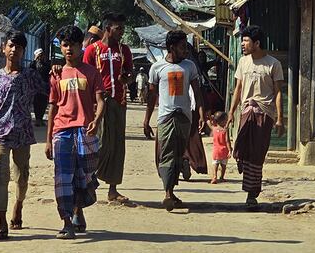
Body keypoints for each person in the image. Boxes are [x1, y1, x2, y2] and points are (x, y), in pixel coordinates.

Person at [0, 30, 37, 240]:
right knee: (0, 176)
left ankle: (18, 206)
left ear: (23, 51)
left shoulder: (30, 76)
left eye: (18, 47)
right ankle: (2, 222)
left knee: (22, 178)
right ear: (4, 48)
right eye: (11, 46)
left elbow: (51, 90)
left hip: (23, 134)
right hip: (0, 133)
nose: (14, 50)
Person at [45, 25, 105, 239]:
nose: (69, 49)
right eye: (65, 45)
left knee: (83, 176)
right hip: (62, 131)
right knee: (63, 177)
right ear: (61, 48)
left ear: (81, 46)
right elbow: (52, 107)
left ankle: (79, 211)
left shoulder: (91, 72)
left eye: (73, 44)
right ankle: (66, 221)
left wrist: (96, 120)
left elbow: (100, 100)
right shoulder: (56, 74)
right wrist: (48, 139)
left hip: (85, 130)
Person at [143, 30, 205, 211]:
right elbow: (152, 97)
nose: (185, 50)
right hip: (165, 117)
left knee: (178, 153)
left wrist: (201, 113)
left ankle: (171, 191)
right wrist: (146, 120)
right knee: (166, 153)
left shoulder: (190, 67)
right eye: (182, 47)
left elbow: (197, 92)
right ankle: (168, 193)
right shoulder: (157, 68)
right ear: (171, 47)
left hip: (184, 117)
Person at [227, 25, 284, 210]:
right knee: (241, 148)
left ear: (257, 43)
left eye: (246, 41)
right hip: (246, 112)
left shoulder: (273, 64)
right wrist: (231, 112)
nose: (243, 44)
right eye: (242, 41)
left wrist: (280, 119)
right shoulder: (243, 62)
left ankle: (252, 195)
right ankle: (242, 160)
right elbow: (238, 88)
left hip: (264, 114)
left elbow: (277, 93)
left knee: (257, 155)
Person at [83, 12, 133, 203]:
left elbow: (129, 71)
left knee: (117, 145)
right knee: (100, 143)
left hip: (119, 102)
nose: (121, 32)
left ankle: (113, 189)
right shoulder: (92, 50)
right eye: (118, 28)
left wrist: (126, 78)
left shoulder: (124, 50)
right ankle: (91, 178)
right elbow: (85, 76)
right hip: (98, 104)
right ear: (108, 29)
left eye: (123, 29)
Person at [208, 111, 232, 184]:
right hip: (224, 150)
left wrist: (210, 118)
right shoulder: (225, 130)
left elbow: (208, 122)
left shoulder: (213, 129)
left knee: (215, 164)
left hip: (216, 151)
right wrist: (230, 150)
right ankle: (222, 177)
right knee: (223, 165)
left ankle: (214, 177)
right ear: (223, 121)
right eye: (226, 120)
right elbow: (227, 141)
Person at [29, 48, 50, 126]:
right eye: (39, 55)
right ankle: (37, 119)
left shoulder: (46, 64)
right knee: (36, 103)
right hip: (35, 86)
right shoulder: (34, 64)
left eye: (42, 55)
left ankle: (40, 118)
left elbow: (49, 73)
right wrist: (35, 60)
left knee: (43, 103)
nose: (41, 57)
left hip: (44, 86)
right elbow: (30, 70)